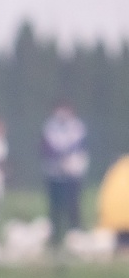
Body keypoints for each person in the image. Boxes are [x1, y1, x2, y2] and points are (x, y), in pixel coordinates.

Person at [42, 102, 89, 247]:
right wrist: (59, 156)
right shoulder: (50, 126)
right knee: (55, 206)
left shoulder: (77, 126)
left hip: (73, 171)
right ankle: (56, 237)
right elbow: (48, 146)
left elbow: (78, 145)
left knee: (73, 204)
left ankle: (74, 235)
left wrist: (66, 155)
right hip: (55, 172)